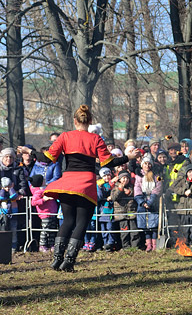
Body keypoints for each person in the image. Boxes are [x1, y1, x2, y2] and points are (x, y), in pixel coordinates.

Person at [20, 105, 131, 271]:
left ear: (74, 120)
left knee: (68, 221)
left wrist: (30, 151)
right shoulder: (96, 139)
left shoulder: (65, 136)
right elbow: (108, 163)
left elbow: (47, 158)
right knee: (81, 223)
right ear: (90, 120)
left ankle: (57, 259)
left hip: (67, 183)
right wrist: (129, 157)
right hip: (85, 185)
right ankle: (69, 261)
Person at [135, 155, 163, 252]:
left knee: (154, 224)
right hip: (142, 200)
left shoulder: (156, 175)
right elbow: (137, 188)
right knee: (145, 225)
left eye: (149, 163)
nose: (147, 166)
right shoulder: (139, 176)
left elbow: (158, 188)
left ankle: (155, 244)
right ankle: (148, 244)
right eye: (145, 164)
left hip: (153, 201)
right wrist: (142, 202)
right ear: (142, 165)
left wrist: (151, 201)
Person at [30, 174, 58, 252]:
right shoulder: (38, 192)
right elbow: (33, 202)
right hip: (45, 213)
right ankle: (42, 245)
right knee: (45, 230)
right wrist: (44, 200)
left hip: (52, 212)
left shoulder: (46, 189)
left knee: (52, 229)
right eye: (43, 180)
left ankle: (51, 244)